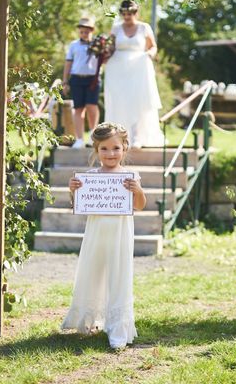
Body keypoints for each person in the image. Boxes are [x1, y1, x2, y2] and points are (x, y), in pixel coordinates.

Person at [62, 122, 145, 349]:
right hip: (96, 233)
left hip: (120, 234)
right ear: (96, 150)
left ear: (125, 148)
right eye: (104, 149)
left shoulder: (130, 177)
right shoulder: (90, 177)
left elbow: (139, 205)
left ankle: (118, 326)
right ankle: (87, 320)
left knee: (119, 275)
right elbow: (77, 205)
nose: (110, 153)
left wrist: (137, 191)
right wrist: (74, 190)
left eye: (116, 148)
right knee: (92, 272)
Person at [104, 0, 165, 147]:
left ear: (136, 13)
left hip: (139, 68)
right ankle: (118, 136)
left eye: (129, 14)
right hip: (117, 69)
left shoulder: (144, 27)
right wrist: (103, 53)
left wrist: (150, 53)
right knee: (120, 101)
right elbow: (110, 47)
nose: (126, 17)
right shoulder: (116, 28)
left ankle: (137, 136)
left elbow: (153, 47)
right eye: (124, 14)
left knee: (138, 100)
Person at [63, 17, 100, 148]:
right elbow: (68, 63)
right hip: (77, 78)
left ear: (92, 31)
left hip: (92, 79)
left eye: (87, 31)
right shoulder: (74, 45)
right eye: (82, 31)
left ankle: (93, 135)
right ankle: (79, 139)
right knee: (78, 108)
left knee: (91, 106)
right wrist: (65, 81)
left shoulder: (98, 44)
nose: (84, 34)